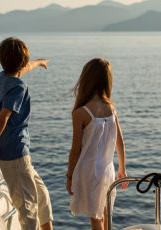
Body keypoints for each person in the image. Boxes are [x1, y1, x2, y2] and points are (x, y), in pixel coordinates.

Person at [0, 37, 53, 230]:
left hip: (19, 154)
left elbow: (24, 69)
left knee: (42, 194)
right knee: (27, 210)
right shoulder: (19, 87)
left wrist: (40, 62)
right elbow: (2, 118)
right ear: (22, 62)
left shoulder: (2, 78)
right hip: (14, 154)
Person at [66, 58, 128, 230]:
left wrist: (69, 176)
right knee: (106, 213)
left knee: (95, 217)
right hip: (108, 169)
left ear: (86, 80)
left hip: (89, 170)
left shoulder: (81, 113)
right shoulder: (111, 109)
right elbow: (120, 142)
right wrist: (122, 168)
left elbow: (75, 150)